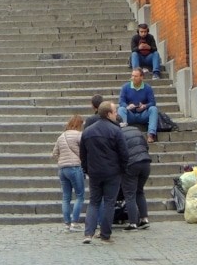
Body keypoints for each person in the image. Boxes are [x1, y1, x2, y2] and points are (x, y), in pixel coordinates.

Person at [79, 100, 128, 244]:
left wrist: (87, 169)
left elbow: (83, 154)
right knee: (109, 203)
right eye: (114, 112)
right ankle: (105, 234)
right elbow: (124, 153)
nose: (116, 114)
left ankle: (88, 233)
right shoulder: (116, 130)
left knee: (94, 202)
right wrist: (122, 169)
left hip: (94, 172)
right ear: (108, 114)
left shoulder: (88, 131)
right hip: (112, 172)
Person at [51, 114, 85, 231]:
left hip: (62, 169)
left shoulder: (61, 136)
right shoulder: (79, 135)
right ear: (79, 124)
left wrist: (61, 160)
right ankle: (75, 223)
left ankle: (67, 223)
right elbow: (85, 150)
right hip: (75, 167)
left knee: (66, 197)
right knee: (80, 195)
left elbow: (54, 154)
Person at [120, 123, 152, 230]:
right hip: (145, 162)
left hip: (132, 164)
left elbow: (120, 152)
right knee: (140, 191)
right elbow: (146, 146)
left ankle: (133, 223)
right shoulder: (136, 130)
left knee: (129, 194)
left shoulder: (118, 133)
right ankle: (144, 219)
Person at [118, 68, 159, 142]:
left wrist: (144, 106)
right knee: (121, 109)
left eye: (136, 76)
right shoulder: (125, 87)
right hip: (130, 115)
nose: (133, 78)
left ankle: (151, 134)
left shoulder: (147, 88)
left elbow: (152, 102)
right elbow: (121, 101)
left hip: (143, 114)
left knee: (153, 109)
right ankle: (123, 134)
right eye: (132, 76)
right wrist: (127, 107)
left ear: (142, 77)